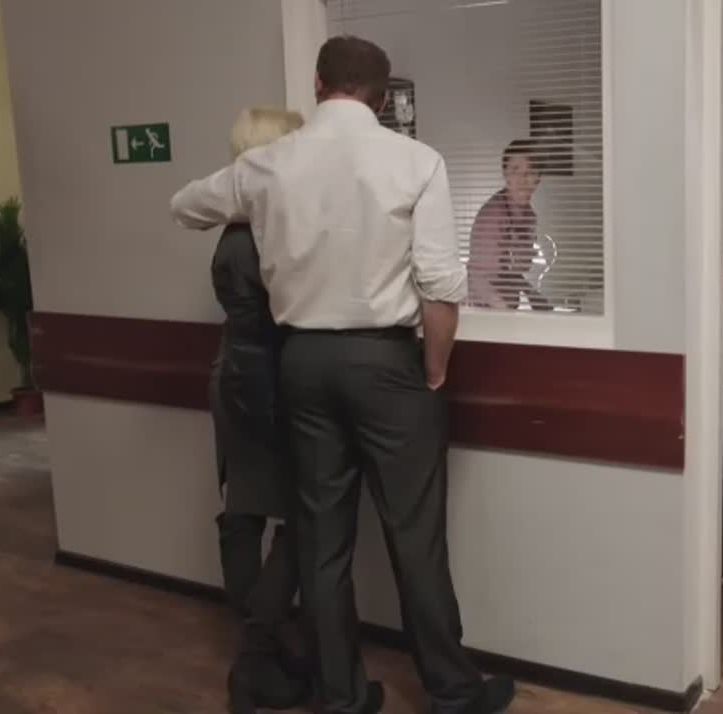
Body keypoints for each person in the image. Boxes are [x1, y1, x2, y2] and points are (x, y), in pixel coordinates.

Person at [171, 35, 515, 714]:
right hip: (388, 365)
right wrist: (434, 371)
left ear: (318, 86)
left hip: (300, 364)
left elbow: (185, 205)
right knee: (414, 537)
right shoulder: (416, 161)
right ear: (383, 100)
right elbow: (441, 286)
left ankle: (342, 698)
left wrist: (259, 205)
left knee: (322, 541)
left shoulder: (268, 165)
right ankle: (452, 693)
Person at [208, 106, 309, 714]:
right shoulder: (265, 233)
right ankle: (257, 655)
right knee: (302, 518)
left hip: (235, 377)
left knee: (243, 513)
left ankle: (261, 653)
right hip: (264, 384)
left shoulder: (236, 222)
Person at [467, 139, 549, 310]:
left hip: (506, 304)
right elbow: (478, 276)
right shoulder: (493, 215)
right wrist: (504, 311)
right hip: (485, 307)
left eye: (530, 172)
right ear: (505, 175)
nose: (522, 179)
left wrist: (530, 292)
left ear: (538, 178)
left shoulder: (529, 216)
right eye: (515, 170)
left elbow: (513, 269)